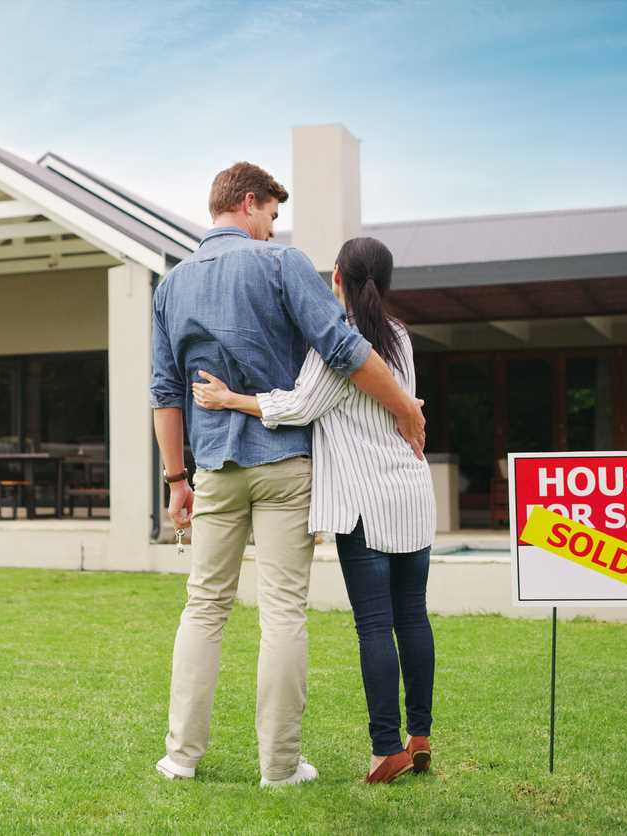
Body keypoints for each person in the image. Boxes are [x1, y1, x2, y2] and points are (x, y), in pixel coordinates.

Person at [150, 163, 426, 787]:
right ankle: (279, 768)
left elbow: (165, 393)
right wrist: (406, 406)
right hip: (284, 464)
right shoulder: (283, 265)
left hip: (214, 468)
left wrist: (175, 482)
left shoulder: (171, 286)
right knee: (283, 613)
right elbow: (345, 348)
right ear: (248, 203)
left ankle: (180, 758)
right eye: (272, 215)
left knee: (203, 608)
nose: (274, 229)